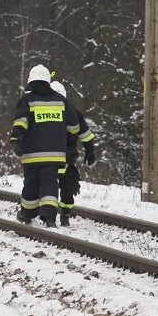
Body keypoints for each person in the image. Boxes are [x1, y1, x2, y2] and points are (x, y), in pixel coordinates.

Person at [10, 64, 80, 228]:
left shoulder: (27, 100)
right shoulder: (61, 100)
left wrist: (16, 139)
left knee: (31, 183)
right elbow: (74, 125)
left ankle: (27, 214)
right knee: (50, 182)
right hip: (55, 154)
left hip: (32, 153)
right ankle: (49, 217)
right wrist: (70, 141)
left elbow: (21, 122)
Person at [50, 80, 97, 226]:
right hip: (65, 157)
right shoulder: (73, 111)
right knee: (67, 186)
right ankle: (63, 216)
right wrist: (90, 150)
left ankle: (51, 216)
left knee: (49, 185)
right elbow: (85, 134)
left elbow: (84, 133)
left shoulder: (41, 108)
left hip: (49, 158)